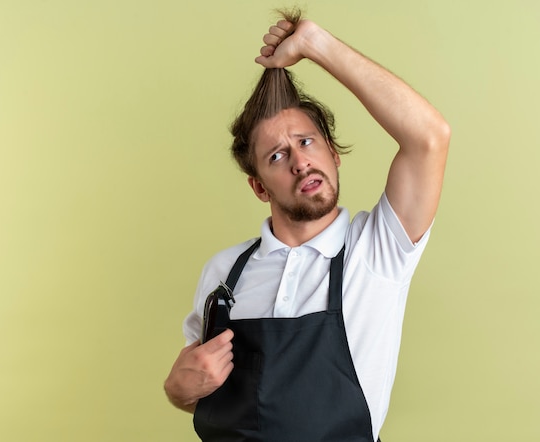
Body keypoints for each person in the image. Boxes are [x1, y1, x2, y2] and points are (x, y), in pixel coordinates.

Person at [164, 10, 450, 442]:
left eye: (306, 141)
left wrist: (317, 45)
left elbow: (430, 137)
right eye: (277, 155)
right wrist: (176, 390)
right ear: (259, 187)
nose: (300, 162)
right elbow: (201, 388)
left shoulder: (377, 252)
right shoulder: (224, 275)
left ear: (333, 154)